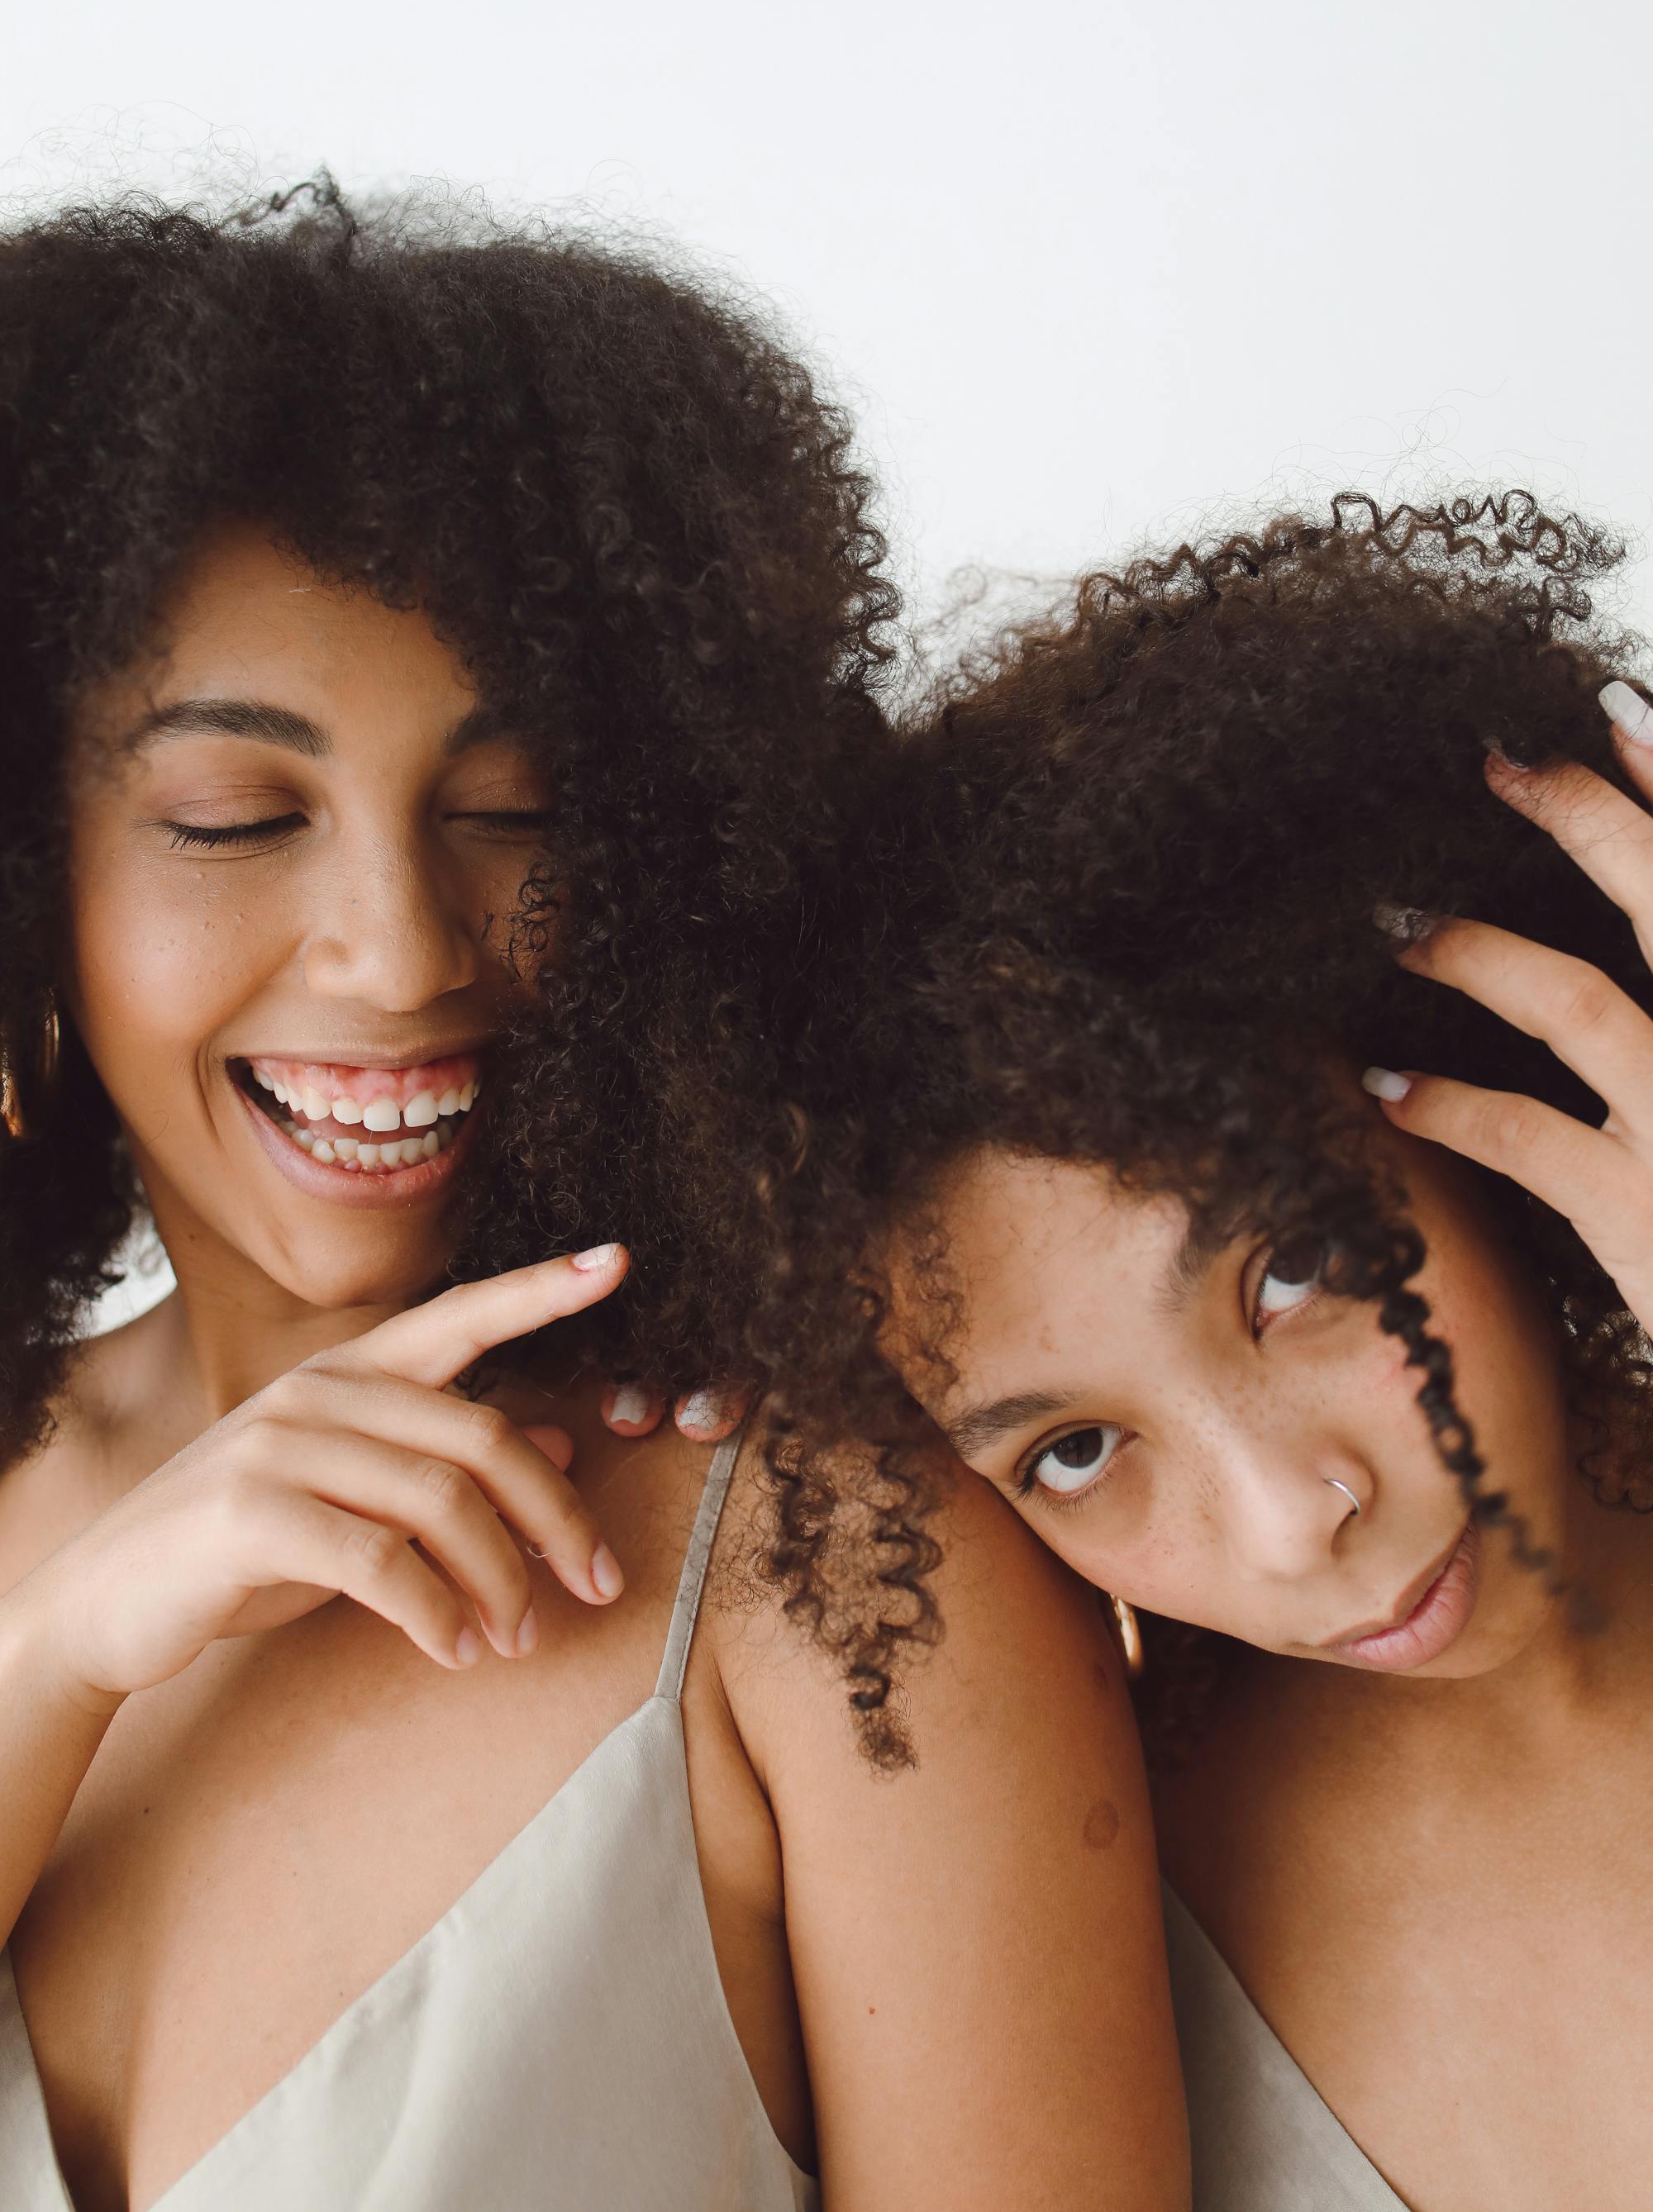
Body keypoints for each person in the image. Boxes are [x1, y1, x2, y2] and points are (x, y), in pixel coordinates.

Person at [0, 187, 1187, 2212]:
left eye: (511, 811)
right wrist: (59, 1660)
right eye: (234, 817)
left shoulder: (841, 1573)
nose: (396, 947)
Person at [812, 493, 1653, 2210]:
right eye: (1071, 1451)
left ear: (1486, 1107)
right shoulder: (1061, 1953)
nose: (1291, 1520)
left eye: (1300, 1274)